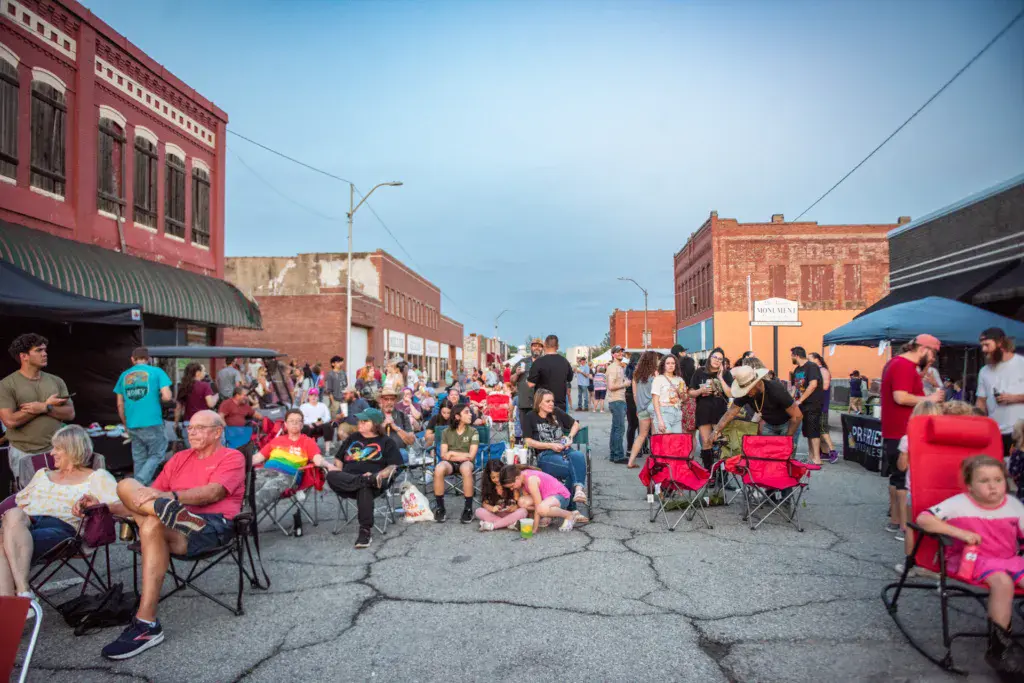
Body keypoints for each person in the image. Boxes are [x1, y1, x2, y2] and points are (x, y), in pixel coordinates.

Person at [102, 410, 245, 659]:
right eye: (190, 427)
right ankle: (147, 625)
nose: (192, 432)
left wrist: (170, 497)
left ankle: (146, 624)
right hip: (173, 519)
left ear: (217, 432)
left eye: (200, 428)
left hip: (211, 525)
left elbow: (213, 493)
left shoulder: (232, 457)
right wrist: (102, 507)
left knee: (150, 523)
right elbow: (143, 498)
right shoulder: (179, 458)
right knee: (125, 485)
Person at [916, 455, 1024, 676]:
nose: (993, 486)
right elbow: (923, 519)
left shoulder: (1013, 505)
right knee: (1003, 583)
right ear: (970, 486)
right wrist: (959, 532)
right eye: (984, 481)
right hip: (973, 559)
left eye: (998, 480)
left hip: (1009, 559)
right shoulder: (958, 504)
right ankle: (1000, 647)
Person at [0, 425, 119, 601]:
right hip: (24, 523)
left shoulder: (97, 477)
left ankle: (13, 602)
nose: (51, 453)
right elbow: (18, 501)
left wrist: (95, 506)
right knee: (13, 514)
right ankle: (23, 594)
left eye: (57, 448)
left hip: (62, 530)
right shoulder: (42, 474)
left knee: (3, 542)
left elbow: (120, 505)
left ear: (72, 449)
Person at [881, 334, 944, 534]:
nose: (933, 359)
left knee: (896, 477)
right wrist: (931, 399)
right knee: (903, 479)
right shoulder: (904, 366)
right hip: (903, 429)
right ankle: (904, 526)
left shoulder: (897, 363)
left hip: (895, 429)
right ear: (923, 349)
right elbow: (900, 397)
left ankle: (895, 521)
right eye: (933, 354)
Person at [0, 334, 75, 478]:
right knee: (30, 491)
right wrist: (43, 406)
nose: (45, 354)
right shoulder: (6, 385)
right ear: (24, 356)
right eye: (39, 350)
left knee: (59, 489)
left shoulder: (56, 381)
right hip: (24, 452)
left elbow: (70, 413)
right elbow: (9, 421)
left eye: (45, 350)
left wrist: (45, 408)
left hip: (56, 450)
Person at [326, 408, 402, 548]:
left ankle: (365, 531)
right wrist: (339, 472)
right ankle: (364, 480)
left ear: (375, 424)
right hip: (350, 481)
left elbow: (394, 466)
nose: (359, 423)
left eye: (364, 421)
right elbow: (339, 458)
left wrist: (379, 475)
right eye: (359, 421)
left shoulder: (386, 442)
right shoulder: (353, 437)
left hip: (375, 483)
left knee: (365, 488)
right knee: (331, 475)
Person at [251, 409, 332, 513]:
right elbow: (258, 457)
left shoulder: (307, 442)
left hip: (289, 476)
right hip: (266, 471)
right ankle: (237, 517)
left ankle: (244, 519)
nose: (294, 423)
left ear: (302, 425)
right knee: (247, 488)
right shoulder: (277, 440)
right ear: (285, 424)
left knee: (263, 494)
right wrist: (240, 461)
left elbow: (318, 459)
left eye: (298, 421)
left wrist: (328, 465)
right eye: (291, 421)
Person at [521, 389, 589, 510]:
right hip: (546, 454)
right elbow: (527, 441)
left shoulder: (556, 412)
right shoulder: (530, 416)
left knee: (578, 455)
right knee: (573, 468)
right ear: (539, 403)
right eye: (548, 401)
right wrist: (550, 445)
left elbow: (575, 424)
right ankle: (571, 507)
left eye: (552, 401)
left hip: (564, 450)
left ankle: (578, 491)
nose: (551, 403)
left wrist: (569, 437)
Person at [114, 347, 173, 486]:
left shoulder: (124, 376)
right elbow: (167, 396)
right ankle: (139, 481)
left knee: (139, 458)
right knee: (157, 454)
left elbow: (119, 404)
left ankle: (136, 490)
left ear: (132, 359)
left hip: (132, 422)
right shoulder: (157, 372)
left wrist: (125, 423)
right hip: (152, 421)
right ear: (148, 359)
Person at [711, 364, 801, 441]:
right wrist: (715, 431)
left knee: (785, 453)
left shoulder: (775, 389)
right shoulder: (746, 393)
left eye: (748, 389)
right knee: (768, 454)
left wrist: (787, 438)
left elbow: (797, 416)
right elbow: (731, 412)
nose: (746, 393)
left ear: (757, 383)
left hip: (788, 423)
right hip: (769, 425)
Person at [976, 327, 1024, 460]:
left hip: (1021, 433)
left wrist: (1014, 398)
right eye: (982, 345)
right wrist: (979, 423)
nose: (983, 349)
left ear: (1000, 343)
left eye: (987, 345)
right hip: (995, 433)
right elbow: (981, 401)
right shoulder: (984, 371)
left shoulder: (1021, 364)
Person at [433, 404, 479, 524]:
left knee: (466, 469)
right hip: (450, 464)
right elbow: (443, 455)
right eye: (467, 412)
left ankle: (468, 508)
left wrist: (452, 453)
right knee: (439, 468)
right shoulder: (446, 432)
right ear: (458, 416)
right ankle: (440, 508)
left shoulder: (473, 431)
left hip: (467, 463)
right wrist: (457, 455)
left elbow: (471, 456)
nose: (470, 414)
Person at [689, 347, 733, 469]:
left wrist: (721, 378)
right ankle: (709, 473)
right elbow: (690, 392)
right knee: (706, 442)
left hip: (720, 414)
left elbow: (730, 394)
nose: (717, 360)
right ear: (710, 357)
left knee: (722, 443)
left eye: (720, 359)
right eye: (715, 357)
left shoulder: (726, 374)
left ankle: (723, 473)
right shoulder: (699, 372)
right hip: (704, 412)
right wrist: (700, 390)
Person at [500, 464, 578, 532]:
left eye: (512, 486)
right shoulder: (522, 478)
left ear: (517, 478)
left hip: (561, 496)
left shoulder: (531, 480)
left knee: (541, 509)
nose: (511, 489)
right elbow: (533, 503)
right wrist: (530, 521)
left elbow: (537, 505)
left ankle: (569, 515)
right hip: (548, 498)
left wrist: (534, 528)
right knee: (522, 502)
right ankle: (549, 514)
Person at [789, 347, 826, 466]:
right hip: (802, 405)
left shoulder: (811, 366)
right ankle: (811, 457)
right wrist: (791, 401)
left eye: (791, 356)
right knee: (808, 431)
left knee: (813, 430)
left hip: (812, 403)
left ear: (796, 355)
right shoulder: (797, 370)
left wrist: (800, 400)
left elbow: (813, 385)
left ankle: (817, 458)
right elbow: (795, 387)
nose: (791, 358)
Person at [475, 458, 528, 531]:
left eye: (498, 476)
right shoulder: (488, 487)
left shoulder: (510, 484)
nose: (497, 479)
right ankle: (509, 524)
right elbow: (484, 504)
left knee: (523, 511)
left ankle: (492, 525)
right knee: (479, 511)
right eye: (493, 477)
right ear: (489, 477)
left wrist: (514, 507)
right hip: (496, 514)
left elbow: (518, 503)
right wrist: (492, 508)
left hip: (510, 514)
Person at [627, 351, 659, 469]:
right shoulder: (655, 374)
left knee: (641, 435)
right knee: (655, 436)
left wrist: (638, 408)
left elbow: (635, 394)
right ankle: (655, 461)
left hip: (641, 408)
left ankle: (631, 461)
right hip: (653, 407)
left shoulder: (636, 374)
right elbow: (657, 393)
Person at [527, 335, 574, 412]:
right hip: (560, 404)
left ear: (545, 345)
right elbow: (570, 378)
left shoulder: (538, 362)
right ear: (557, 346)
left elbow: (530, 384)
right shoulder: (565, 362)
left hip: (543, 405)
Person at [174, 363, 217, 446]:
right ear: (197, 373)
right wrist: (216, 397)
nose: (205, 373)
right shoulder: (205, 386)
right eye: (203, 371)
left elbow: (178, 408)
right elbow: (211, 404)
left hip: (188, 423)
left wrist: (176, 424)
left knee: (191, 451)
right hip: (203, 424)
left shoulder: (183, 387)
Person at [809, 352, 839, 464]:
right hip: (816, 405)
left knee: (823, 428)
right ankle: (825, 452)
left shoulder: (823, 371)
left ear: (817, 359)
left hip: (822, 405)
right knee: (818, 430)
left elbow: (825, 386)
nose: (808, 361)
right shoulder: (817, 370)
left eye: (810, 359)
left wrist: (811, 387)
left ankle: (833, 451)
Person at [651, 354, 687, 436]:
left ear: (676, 365)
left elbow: (684, 399)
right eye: (668, 363)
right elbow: (655, 401)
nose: (671, 365)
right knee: (667, 441)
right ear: (663, 365)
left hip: (677, 413)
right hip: (664, 413)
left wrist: (682, 394)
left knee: (676, 442)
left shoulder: (679, 379)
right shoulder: (658, 379)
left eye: (673, 363)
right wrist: (660, 420)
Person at [606, 346, 629, 464]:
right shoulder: (613, 368)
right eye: (618, 352)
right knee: (619, 428)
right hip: (616, 401)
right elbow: (611, 386)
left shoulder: (619, 367)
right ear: (613, 354)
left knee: (616, 428)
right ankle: (618, 455)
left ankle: (614, 454)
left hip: (618, 400)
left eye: (621, 352)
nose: (620, 353)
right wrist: (625, 384)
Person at [512, 338, 544, 426]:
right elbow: (512, 381)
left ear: (542, 348)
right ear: (531, 347)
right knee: (526, 430)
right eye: (535, 346)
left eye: (539, 346)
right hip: (525, 403)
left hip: (541, 404)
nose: (537, 348)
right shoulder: (522, 362)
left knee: (540, 430)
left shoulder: (545, 362)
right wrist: (517, 374)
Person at [378, 387, 416, 453]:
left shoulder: (402, 416)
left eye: (392, 399)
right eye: (386, 399)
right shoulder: (376, 415)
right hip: (380, 453)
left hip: (400, 453)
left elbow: (411, 441)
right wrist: (383, 425)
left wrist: (395, 427)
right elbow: (370, 439)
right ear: (381, 400)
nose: (389, 402)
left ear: (395, 401)